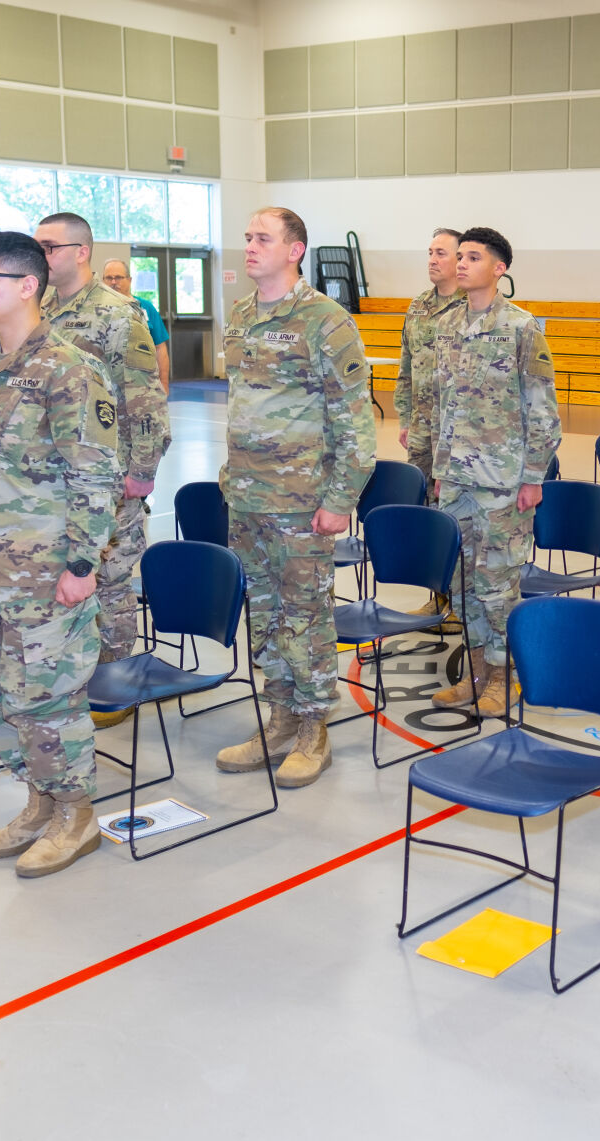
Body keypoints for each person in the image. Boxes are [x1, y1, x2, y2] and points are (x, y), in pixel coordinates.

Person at [0, 231, 122, 878]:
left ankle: (75, 814)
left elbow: (95, 472)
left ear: (27, 285)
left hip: (48, 567)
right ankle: (38, 800)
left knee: (49, 696)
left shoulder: (68, 369)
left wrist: (83, 565)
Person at [213, 207, 376, 787]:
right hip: (249, 498)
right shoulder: (239, 315)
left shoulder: (324, 320)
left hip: (302, 500)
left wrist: (340, 497)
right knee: (264, 614)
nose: (250, 246)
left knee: (305, 617)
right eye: (247, 236)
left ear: (295, 250)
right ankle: (279, 720)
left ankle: (314, 730)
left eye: (262, 238)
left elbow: (355, 420)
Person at [35, 214, 169, 727]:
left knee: (110, 582)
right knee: (65, 581)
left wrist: (142, 471)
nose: (40, 255)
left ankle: (114, 682)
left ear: (80, 251)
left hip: (109, 478)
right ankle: (69, 677)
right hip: (54, 479)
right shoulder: (40, 310)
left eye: (50, 246)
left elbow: (145, 397)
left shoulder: (118, 315)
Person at [425, 227, 561, 720]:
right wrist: (440, 469)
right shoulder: (447, 326)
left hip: (503, 482)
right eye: (458, 255)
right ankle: (477, 671)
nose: (460, 264)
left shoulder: (523, 328)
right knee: (462, 580)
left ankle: (506, 676)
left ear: (499, 269)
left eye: (473, 257)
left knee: (498, 584)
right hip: (456, 479)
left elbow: (543, 409)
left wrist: (533, 476)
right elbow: (443, 404)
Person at [394, 228, 466, 619]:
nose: (432, 259)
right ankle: (437, 597)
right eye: (429, 252)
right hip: (421, 430)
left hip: (455, 434)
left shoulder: (471, 306)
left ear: (460, 259)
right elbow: (406, 367)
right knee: (425, 512)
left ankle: (459, 603)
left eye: (441, 252)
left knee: (453, 514)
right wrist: (404, 416)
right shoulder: (418, 306)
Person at [101, 259, 172, 392]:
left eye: (118, 277)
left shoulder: (145, 307)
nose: (113, 282)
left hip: (143, 386)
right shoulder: (97, 309)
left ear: (129, 280)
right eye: (109, 278)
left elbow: (160, 348)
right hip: (107, 386)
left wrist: (164, 383)